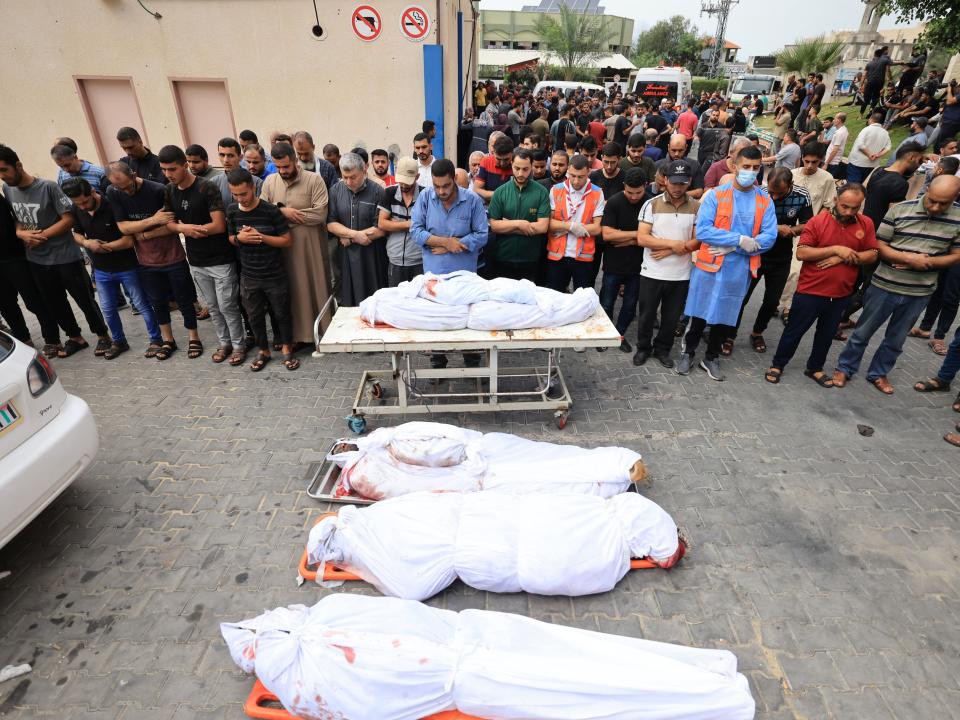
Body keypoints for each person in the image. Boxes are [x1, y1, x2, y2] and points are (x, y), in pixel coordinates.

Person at [834, 176, 960, 394]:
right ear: (927, 190)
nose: (936, 207)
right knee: (862, 332)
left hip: (919, 292)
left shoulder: (958, 218)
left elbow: (956, 254)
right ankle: (845, 368)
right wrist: (908, 259)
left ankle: (879, 373)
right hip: (885, 285)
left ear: (955, 198)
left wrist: (928, 262)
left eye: (944, 203)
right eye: (933, 201)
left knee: (896, 338)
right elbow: (878, 245)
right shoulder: (900, 210)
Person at [0, 143, 110, 358]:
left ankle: (103, 335)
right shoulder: (8, 190)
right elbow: (16, 220)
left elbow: (68, 219)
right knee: (55, 302)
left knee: (84, 300)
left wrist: (42, 235)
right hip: (37, 260)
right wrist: (21, 234)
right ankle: (75, 337)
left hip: (65, 256)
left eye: (4, 170)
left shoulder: (48, 187)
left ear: (18, 165)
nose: (2, 176)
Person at [677, 146, 777, 381]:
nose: (750, 172)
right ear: (734, 166)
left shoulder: (764, 201)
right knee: (699, 313)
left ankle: (711, 357)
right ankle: (688, 352)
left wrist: (734, 246)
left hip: (738, 269)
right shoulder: (715, 195)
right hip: (710, 267)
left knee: (726, 315)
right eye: (746, 167)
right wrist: (740, 239)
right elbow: (703, 230)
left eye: (755, 168)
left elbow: (769, 236)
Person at [766, 184, 879, 387]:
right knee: (794, 331)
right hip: (810, 291)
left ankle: (815, 368)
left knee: (826, 335)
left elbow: (872, 254)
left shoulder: (866, 223)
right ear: (836, 200)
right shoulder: (818, 221)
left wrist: (843, 258)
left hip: (841, 294)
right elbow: (802, 253)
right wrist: (836, 250)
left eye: (855, 207)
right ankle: (778, 365)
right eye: (845, 206)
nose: (849, 212)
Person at [106, 161, 200, 361]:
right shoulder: (114, 192)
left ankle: (194, 337)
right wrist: (153, 221)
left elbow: (172, 224)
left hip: (173, 256)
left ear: (133, 174)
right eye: (120, 188)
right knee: (158, 303)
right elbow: (123, 228)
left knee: (185, 301)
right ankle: (168, 340)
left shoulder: (158, 190)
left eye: (128, 186)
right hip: (146, 261)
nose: (126, 192)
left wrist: (144, 233)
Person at [62, 178, 161, 359]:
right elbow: (76, 234)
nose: (83, 207)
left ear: (92, 191)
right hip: (101, 270)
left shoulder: (112, 205)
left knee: (142, 305)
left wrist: (104, 247)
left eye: (85, 202)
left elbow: (129, 240)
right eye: (78, 204)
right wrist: (86, 242)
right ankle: (119, 341)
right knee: (108, 309)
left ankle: (156, 340)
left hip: (127, 267)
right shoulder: (77, 209)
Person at [159, 144, 240, 362]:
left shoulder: (206, 187)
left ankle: (239, 345)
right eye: (164, 170)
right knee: (213, 307)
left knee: (228, 306)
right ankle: (225, 344)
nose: (168, 174)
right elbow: (169, 224)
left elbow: (219, 226)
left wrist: (194, 229)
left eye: (172, 169)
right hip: (196, 260)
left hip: (220, 257)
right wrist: (184, 229)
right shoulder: (169, 190)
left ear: (185, 165)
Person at [410, 158, 489, 368]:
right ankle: (438, 360)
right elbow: (415, 231)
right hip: (435, 277)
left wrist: (457, 244)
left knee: (468, 319)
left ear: (454, 179)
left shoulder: (472, 200)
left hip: (465, 276)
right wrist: (445, 242)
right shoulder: (426, 197)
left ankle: (471, 359)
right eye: (437, 186)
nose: (441, 191)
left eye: (445, 185)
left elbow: (482, 235)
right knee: (437, 319)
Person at [729, 168, 812, 355]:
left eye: (779, 193)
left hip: (782, 257)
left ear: (790, 186)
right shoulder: (760, 194)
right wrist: (775, 229)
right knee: (742, 297)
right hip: (756, 254)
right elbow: (748, 223)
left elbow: (807, 224)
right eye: (772, 192)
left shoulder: (802, 195)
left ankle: (757, 332)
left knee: (772, 300)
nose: (773, 197)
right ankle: (729, 335)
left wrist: (791, 230)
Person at [224, 168, 298, 371]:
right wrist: (240, 239)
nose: (241, 198)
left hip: (274, 274)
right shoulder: (232, 211)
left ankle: (286, 349)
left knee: (282, 313)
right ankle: (263, 351)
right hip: (249, 276)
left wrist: (261, 237)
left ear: (253, 188)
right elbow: (230, 238)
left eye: (244, 193)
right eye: (235, 194)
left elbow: (286, 241)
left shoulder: (271, 211)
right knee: (254, 316)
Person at [260, 142, 332, 349]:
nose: (283, 171)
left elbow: (320, 214)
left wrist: (283, 216)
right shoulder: (270, 182)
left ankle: (322, 334)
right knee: (291, 292)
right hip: (282, 250)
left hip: (310, 249)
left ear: (295, 161)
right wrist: (283, 212)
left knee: (314, 287)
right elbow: (264, 211)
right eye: (278, 167)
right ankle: (297, 337)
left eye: (286, 167)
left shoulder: (314, 180)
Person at [634, 160, 698, 367]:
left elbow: (698, 241)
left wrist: (669, 248)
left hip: (680, 275)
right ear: (665, 180)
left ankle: (662, 350)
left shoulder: (697, 207)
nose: (677, 188)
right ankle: (643, 348)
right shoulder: (651, 204)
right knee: (646, 316)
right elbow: (642, 239)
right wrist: (674, 244)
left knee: (671, 319)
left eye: (682, 183)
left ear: (689, 182)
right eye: (674, 183)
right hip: (652, 272)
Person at [0, 190, 60, 350]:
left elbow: (5, 229)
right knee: (6, 304)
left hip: (14, 258)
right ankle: (23, 339)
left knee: (33, 300)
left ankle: (52, 338)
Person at [327, 152, 388, 306]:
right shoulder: (335, 191)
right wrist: (355, 235)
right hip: (346, 255)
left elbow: (381, 228)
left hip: (372, 253)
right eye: (344, 176)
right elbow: (331, 223)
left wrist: (350, 237)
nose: (348, 181)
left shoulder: (378, 191)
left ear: (364, 170)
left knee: (374, 297)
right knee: (349, 298)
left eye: (353, 177)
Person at [597, 167, 647, 354]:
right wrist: (637, 236)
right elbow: (608, 235)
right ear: (624, 186)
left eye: (638, 193)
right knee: (607, 302)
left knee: (629, 304)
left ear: (645, 186)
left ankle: (619, 335)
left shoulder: (649, 202)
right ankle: (605, 334)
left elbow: (652, 235)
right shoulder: (615, 202)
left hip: (638, 265)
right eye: (629, 192)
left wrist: (623, 237)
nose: (633, 197)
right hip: (613, 263)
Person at [488, 148, 550, 283]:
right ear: (511, 165)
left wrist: (507, 224)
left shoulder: (541, 192)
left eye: (525, 169)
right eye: (517, 168)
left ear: (532, 167)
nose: (521, 173)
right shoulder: (500, 192)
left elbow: (542, 227)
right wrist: (521, 224)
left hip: (530, 258)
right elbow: (494, 226)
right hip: (503, 256)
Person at [377, 157, 422, 286]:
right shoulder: (389, 192)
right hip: (395, 258)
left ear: (417, 177)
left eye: (407, 182)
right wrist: (409, 224)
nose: (403, 185)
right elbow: (382, 223)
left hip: (419, 259)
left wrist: (394, 223)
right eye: (401, 181)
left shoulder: (425, 195)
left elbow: (427, 224)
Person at [214, 138, 263, 209]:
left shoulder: (257, 182)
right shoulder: (214, 183)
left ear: (240, 157)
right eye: (222, 155)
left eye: (230, 155)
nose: (226, 160)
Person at [846, 113, 891, 184]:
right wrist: (877, 155)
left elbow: (860, 144)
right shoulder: (885, 132)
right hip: (872, 164)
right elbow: (888, 147)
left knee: (852, 185)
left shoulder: (866, 129)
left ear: (871, 119)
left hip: (857, 162)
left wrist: (870, 155)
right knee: (860, 184)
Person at [472, 135, 514, 203]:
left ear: (512, 153)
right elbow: (476, 189)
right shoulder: (486, 161)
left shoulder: (518, 163)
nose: (502, 163)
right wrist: (499, 194)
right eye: (498, 159)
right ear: (493, 153)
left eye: (506, 159)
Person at [861, 47, 893, 118]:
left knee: (866, 100)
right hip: (879, 82)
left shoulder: (869, 63)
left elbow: (864, 74)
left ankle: (861, 115)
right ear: (881, 55)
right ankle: (870, 112)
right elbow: (888, 70)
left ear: (874, 55)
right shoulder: (885, 61)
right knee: (875, 98)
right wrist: (890, 79)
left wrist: (862, 84)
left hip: (869, 82)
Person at [825, 113, 849, 179]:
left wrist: (826, 163)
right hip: (834, 161)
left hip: (832, 162)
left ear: (839, 120)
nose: (833, 121)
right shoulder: (844, 129)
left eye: (835, 119)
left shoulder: (839, 133)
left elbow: (835, 150)